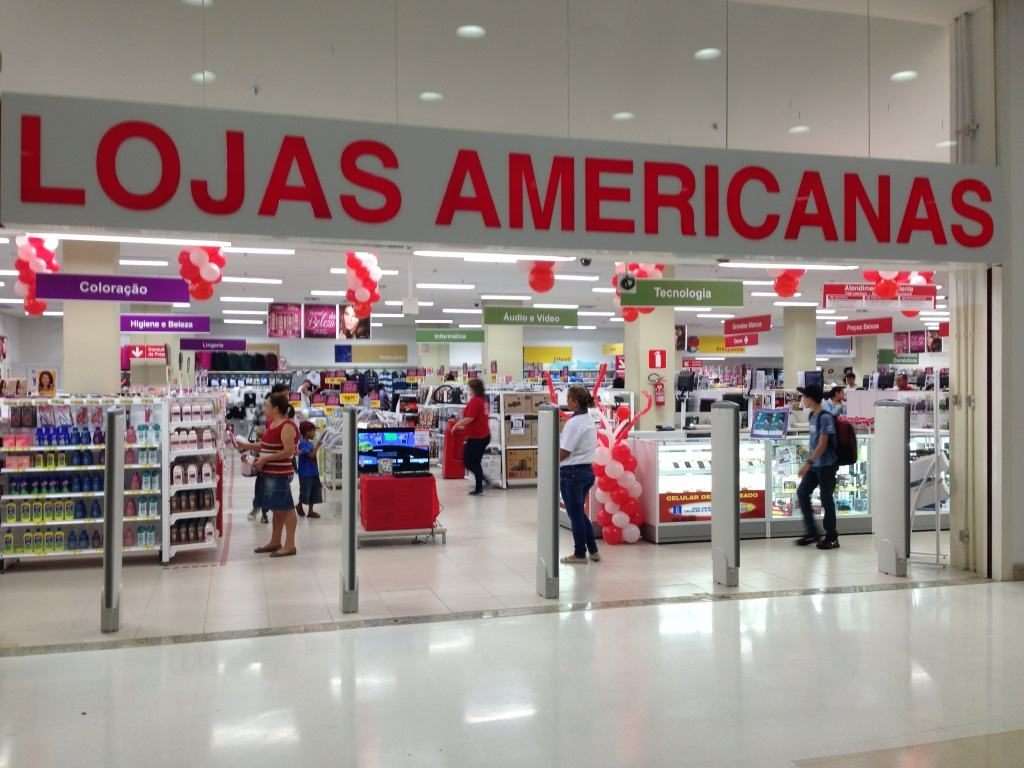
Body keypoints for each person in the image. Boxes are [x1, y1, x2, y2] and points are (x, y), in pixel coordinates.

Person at [249, 392, 300, 557]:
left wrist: (265, 459)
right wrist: (246, 445)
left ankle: (290, 545)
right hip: (269, 473)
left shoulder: (287, 426)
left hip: (279, 474)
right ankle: (275, 541)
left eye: (267, 405)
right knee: (277, 509)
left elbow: (289, 451)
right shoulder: (272, 424)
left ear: (276, 408)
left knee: (287, 508)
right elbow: (265, 445)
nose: (264, 408)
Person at [795, 384, 840, 550]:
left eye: (804, 397)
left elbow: (822, 444)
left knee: (826, 498)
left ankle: (832, 537)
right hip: (815, 465)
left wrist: (808, 463)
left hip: (826, 465)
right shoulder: (812, 415)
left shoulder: (825, 417)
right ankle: (812, 532)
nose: (803, 400)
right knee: (802, 492)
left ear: (811, 399)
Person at [559, 385, 600, 564]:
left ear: (575, 402)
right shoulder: (588, 419)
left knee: (575, 515)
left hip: (572, 473)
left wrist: (549, 461)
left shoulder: (574, 423)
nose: (566, 401)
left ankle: (579, 554)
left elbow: (565, 451)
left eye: (568, 398)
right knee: (579, 514)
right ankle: (593, 550)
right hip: (586, 471)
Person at [453, 378, 492, 495]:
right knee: (473, 462)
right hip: (481, 435)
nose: (468, 390)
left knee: (469, 462)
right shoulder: (483, 400)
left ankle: (481, 483)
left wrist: (457, 425)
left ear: (474, 389)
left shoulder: (476, 401)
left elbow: (470, 418)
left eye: (469, 388)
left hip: (478, 437)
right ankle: (481, 483)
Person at [295, 421, 323, 519]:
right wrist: (318, 446)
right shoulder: (303, 443)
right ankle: (299, 505)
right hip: (305, 473)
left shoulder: (309, 443)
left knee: (314, 491)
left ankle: (310, 511)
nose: (314, 433)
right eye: (313, 431)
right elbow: (311, 456)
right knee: (305, 491)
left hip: (313, 471)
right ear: (307, 432)